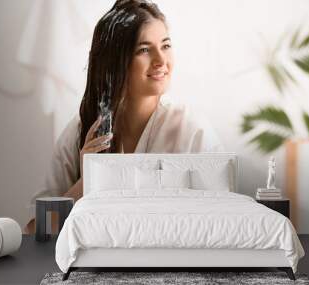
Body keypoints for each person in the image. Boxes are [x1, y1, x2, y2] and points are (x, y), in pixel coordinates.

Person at [25, 0, 223, 233]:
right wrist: (86, 182)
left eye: (166, 45)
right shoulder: (83, 131)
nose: (161, 60)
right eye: (144, 50)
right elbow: (35, 231)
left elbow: (223, 225)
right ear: (116, 61)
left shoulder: (191, 130)